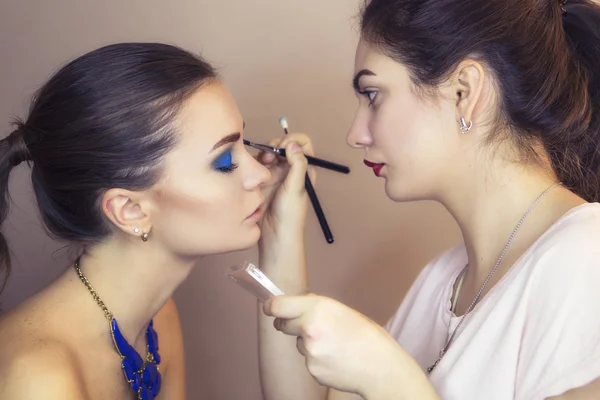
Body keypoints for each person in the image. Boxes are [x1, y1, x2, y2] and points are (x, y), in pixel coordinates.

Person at [258, 0, 600, 399]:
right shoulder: (440, 280)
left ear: (464, 91)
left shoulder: (586, 258)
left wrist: (392, 381)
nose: (355, 134)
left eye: (372, 94)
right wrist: (279, 234)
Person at [0, 42, 313, 400]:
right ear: (130, 210)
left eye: (245, 141)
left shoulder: (157, 318)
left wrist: (279, 230)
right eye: (225, 161)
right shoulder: (36, 380)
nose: (260, 173)